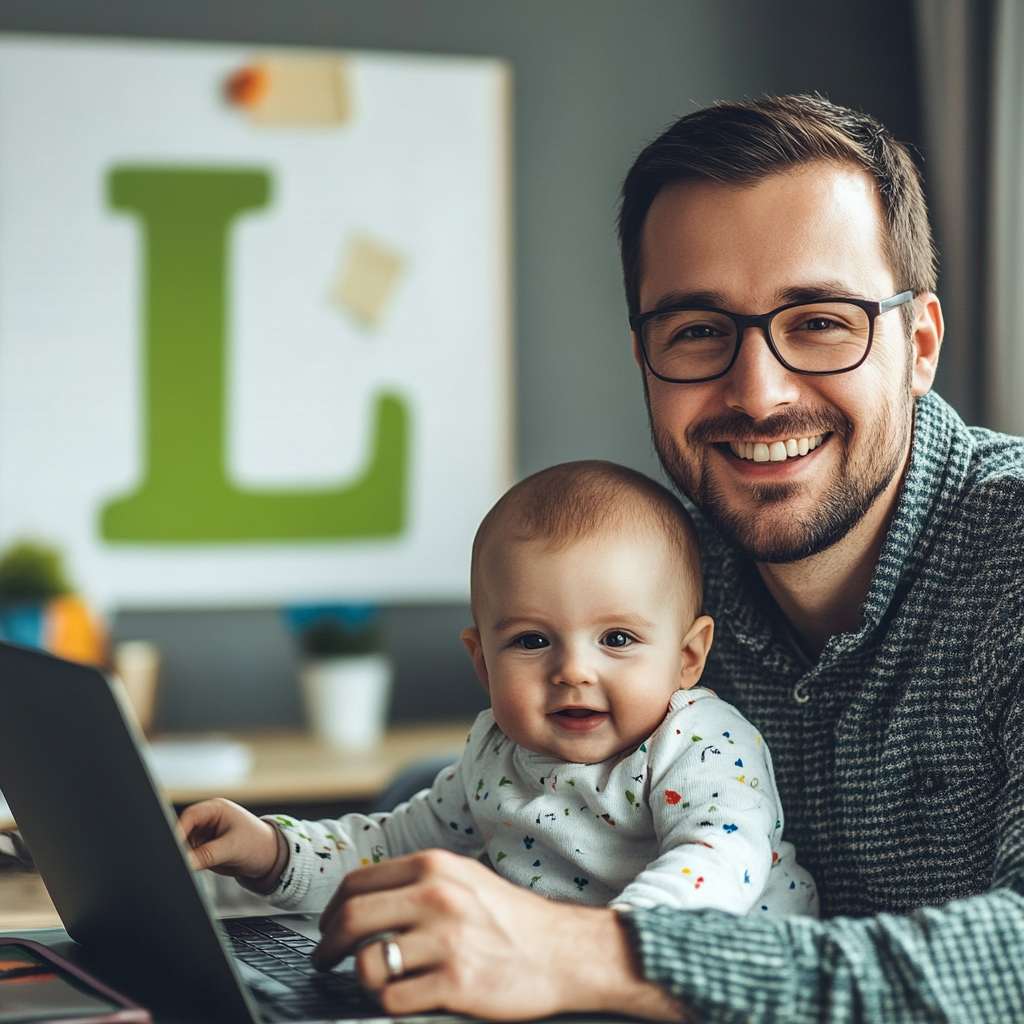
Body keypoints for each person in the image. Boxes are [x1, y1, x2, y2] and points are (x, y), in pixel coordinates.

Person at [273, 95, 1024, 1023]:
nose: (758, 394)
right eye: (699, 331)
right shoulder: (668, 554)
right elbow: (516, 788)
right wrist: (290, 868)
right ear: (644, 355)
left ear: (918, 345)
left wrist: (592, 954)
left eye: (822, 321)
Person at [181, 461, 817, 921]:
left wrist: (602, 948)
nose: (574, 671)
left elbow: (720, 856)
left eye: (617, 639)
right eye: (533, 642)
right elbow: (388, 850)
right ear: (482, 663)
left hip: (724, 988)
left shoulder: (699, 743)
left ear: (686, 658)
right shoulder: (494, 758)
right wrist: (271, 853)